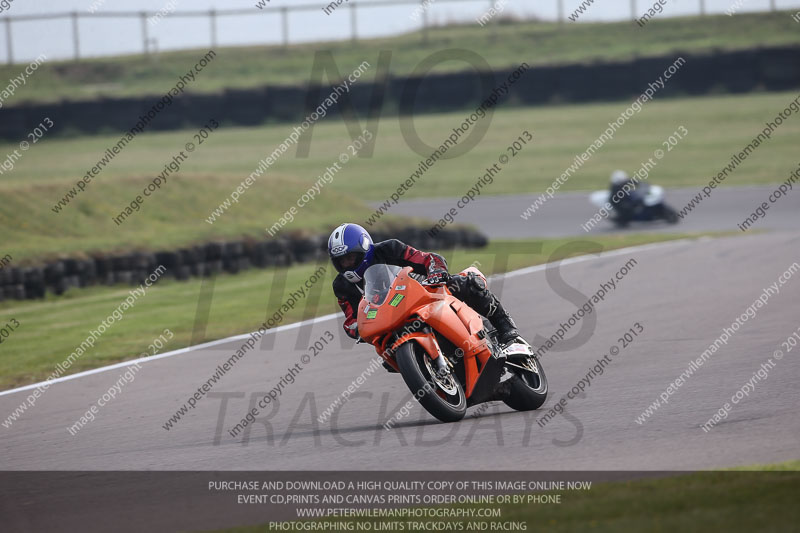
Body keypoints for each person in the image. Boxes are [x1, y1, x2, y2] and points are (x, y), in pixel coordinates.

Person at [328, 223, 524, 369]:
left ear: (365, 248)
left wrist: (436, 272)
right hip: (389, 318)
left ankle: (504, 326)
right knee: (388, 359)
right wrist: (358, 328)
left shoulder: (390, 249)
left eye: (351, 257)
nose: (347, 263)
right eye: (342, 261)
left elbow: (428, 258)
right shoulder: (342, 286)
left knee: (466, 283)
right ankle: (430, 373)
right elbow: (350, 320)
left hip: (422, 292)